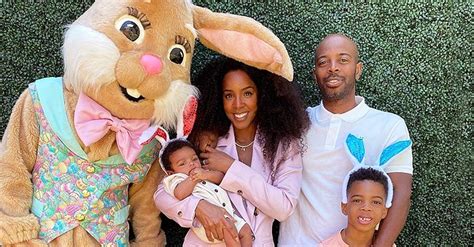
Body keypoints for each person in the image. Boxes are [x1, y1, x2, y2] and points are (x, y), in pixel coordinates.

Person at [154, 57, 310, 246]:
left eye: (247, 93)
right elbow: (162, 194)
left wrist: (231, 167)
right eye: (229, 95)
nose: (238, 104)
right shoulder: (205, 141)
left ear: (262, 95)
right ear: (219, 99)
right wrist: (197, 207)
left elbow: (283, 207)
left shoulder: (284, 145)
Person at [278, 33, 413, 246]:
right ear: (315, 74)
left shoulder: (390, 125)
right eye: (324, 62)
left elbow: (401, 194)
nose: (333, 67)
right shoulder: (297, 123)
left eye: (343, 59)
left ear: (357, 70)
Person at [159, 138, 253, 246]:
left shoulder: (203, 172)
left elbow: (220, 177)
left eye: (194, 159)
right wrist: (193, 178)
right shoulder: (176, 179)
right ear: (171, 172)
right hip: (208, 223)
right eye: (182, 163)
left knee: (245, 231)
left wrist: (204, 175)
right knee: (230, 233)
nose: (191, 164)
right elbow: (179, 194)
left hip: (226, 213)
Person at [320, 167, 390, 247]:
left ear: (384, 211)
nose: (366, 207)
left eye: (375, 202)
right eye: (357, 200)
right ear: (344, 207)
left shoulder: (388, 244)